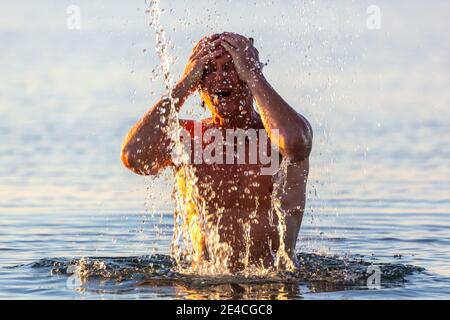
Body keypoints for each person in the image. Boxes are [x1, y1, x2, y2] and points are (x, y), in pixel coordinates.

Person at [121, 32, 313, 271]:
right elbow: (135, 156)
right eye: (209, 69)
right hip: (202, 291)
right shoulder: (187, 136)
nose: (222, 78)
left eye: (232, 67)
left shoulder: (279, 135)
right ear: (199, 87)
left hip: (275, 286)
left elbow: (296, 144)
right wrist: (183, 85)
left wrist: (254, 75)